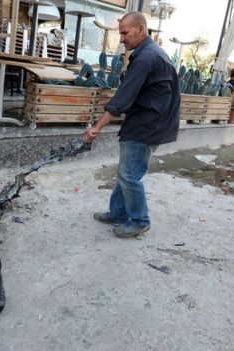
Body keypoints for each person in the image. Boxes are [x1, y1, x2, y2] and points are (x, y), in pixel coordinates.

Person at [83, 11, 180, 238]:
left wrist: (97, 127)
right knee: (126, 172)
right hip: (147, 122)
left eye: (125, 33)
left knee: (129, 175)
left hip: (147, 125)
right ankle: (118, 213)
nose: (122, 38)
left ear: (141, 29)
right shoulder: (149, 53)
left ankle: (139, 220)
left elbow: (123, 98)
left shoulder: (147, 57)